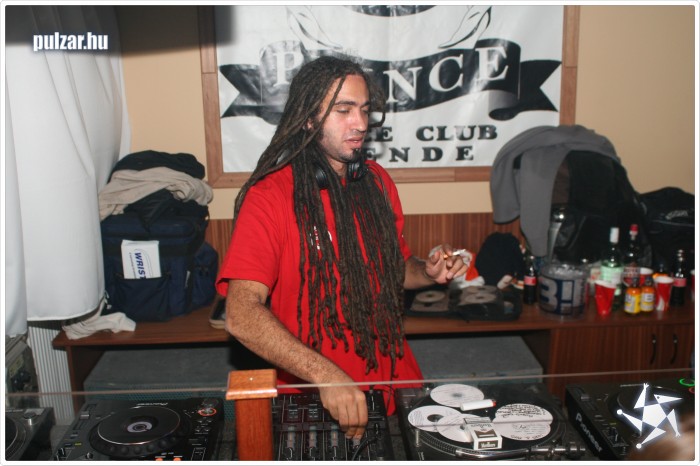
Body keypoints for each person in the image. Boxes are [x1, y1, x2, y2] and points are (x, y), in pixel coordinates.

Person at [215, 55, 468, 439]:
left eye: (365, 110)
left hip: (395, 383)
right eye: (344, 110)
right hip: (316, 395)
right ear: (309, 118)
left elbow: (397, 269)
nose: (361, 123)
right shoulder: (269, 198)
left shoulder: (377, 182)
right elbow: (240, 313)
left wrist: (428, 271)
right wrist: (326, 376)